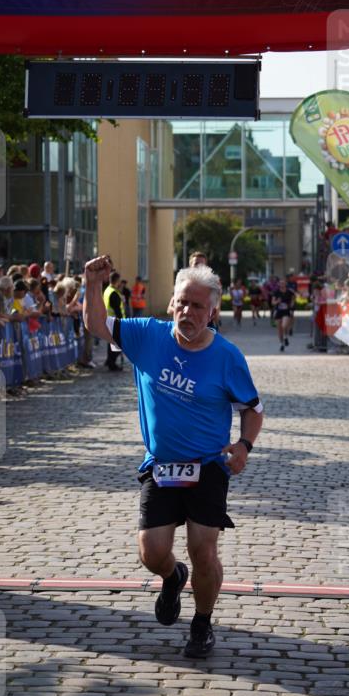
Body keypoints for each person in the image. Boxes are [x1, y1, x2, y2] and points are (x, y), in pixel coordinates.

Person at [83, 255, 263, 658]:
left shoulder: (227, 357)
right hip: (161, 465)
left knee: (204, 549)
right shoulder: (147, 335)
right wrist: (92, 284)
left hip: (208, 465)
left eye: (197, 306)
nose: (187, 312)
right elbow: (96, 324)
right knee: (151, 551)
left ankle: (202, 624)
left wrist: (243, 446)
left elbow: (253, 409)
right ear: (171, 303)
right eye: (182, 303)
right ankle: (173, 576)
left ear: (212, 312)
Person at [102, 270, 124, 371]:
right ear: (117, 280)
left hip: (109, 320)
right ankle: (112, 363)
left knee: (111, 342)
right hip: (115, 321)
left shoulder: (107, 290)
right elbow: (117, 310)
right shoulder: (114, 293)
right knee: (117, 343)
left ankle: (109, 361)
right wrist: (123, 322)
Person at [271, 278, 293, 352]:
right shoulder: (276, 292)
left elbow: (293, 299)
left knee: (284, 326)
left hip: (286, 311)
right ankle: (282, 344)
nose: (282, 284)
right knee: (279, 329)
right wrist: (277, 301)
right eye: (280, 283)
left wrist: (291, 306)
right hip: (278, 311)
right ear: (279, 284)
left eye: (283, 283)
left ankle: (285, 337)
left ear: (286, 284)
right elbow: (273, 302)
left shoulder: (289, 292)